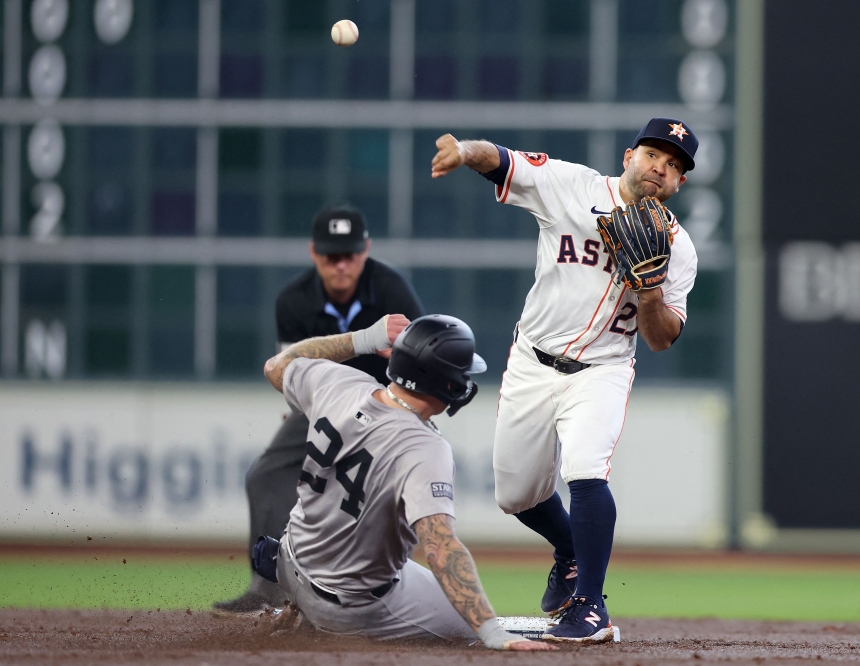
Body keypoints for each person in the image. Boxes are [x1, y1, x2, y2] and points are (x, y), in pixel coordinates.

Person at [429, 118, 699, 642]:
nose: (660, 169)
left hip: (602, 370)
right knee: (515, 494)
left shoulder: (679, 249)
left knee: (585, 469)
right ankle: (571, 549)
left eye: (673, 167)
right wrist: (464, 150)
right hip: (533, 360)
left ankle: (589, 607)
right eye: (653, 156)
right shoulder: (570, 185)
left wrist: (648, 294)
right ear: (629, 156)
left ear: (678, 184)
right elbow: (501, 160)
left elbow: (664, 337)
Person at [254, 314, 555, 651]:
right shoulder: (424, 448)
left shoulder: (337, 383)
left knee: (390, 564)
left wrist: (364, 339)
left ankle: (296, 607)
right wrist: (492, 633)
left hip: (289, 560)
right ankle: (317, 624)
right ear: (449, 385)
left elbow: (277, 365)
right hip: (351, 607)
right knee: (471, 631)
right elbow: (440, 549)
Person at [213, 206, 425, 615]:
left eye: (349, 253)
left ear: (366, 250)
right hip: (321, 407)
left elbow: (419, 362)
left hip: (386, 404)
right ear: (314, 252)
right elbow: (288, 370)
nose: (341, 264)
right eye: (331, 255)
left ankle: (399, 590)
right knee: (265, 475)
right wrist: (297, 405)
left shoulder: (392, 290)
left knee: (401, 490)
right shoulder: (293, 300)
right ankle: (267, 592)